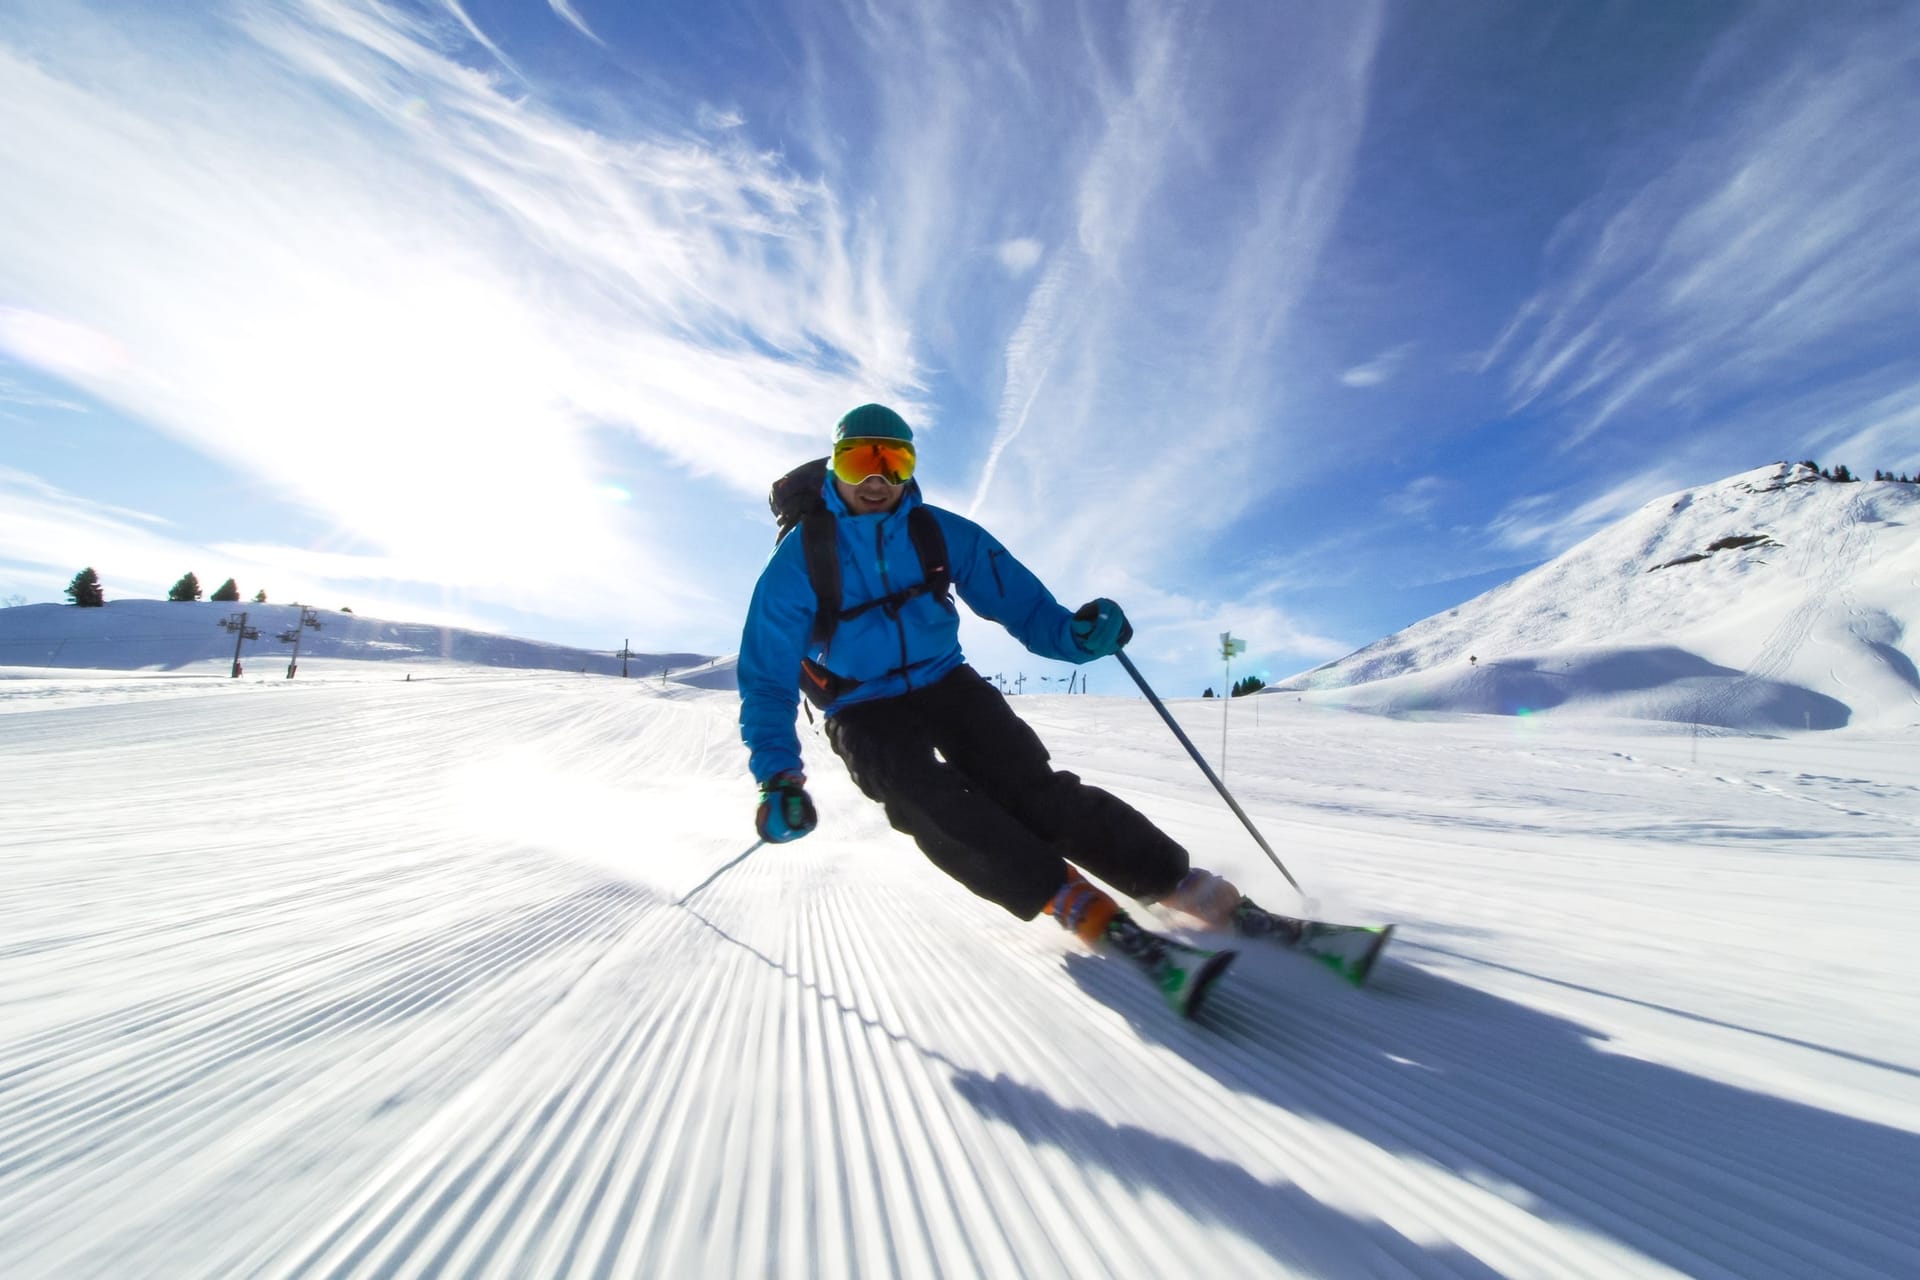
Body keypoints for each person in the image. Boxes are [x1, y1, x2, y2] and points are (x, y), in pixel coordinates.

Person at [738, 404, 1302, 1014]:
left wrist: (1078, 637)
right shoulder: (797, 562)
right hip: (859, 701)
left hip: (942, 678)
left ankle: (1203, 895)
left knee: (1035, 790)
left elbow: (1026, 609)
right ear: (835, 465)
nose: (877, 478)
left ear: (910, 469)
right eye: (859, 459)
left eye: (894, 460)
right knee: (925, 797)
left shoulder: (940, 531)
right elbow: (766, 679)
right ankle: (1081, 908)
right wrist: (778, 777)